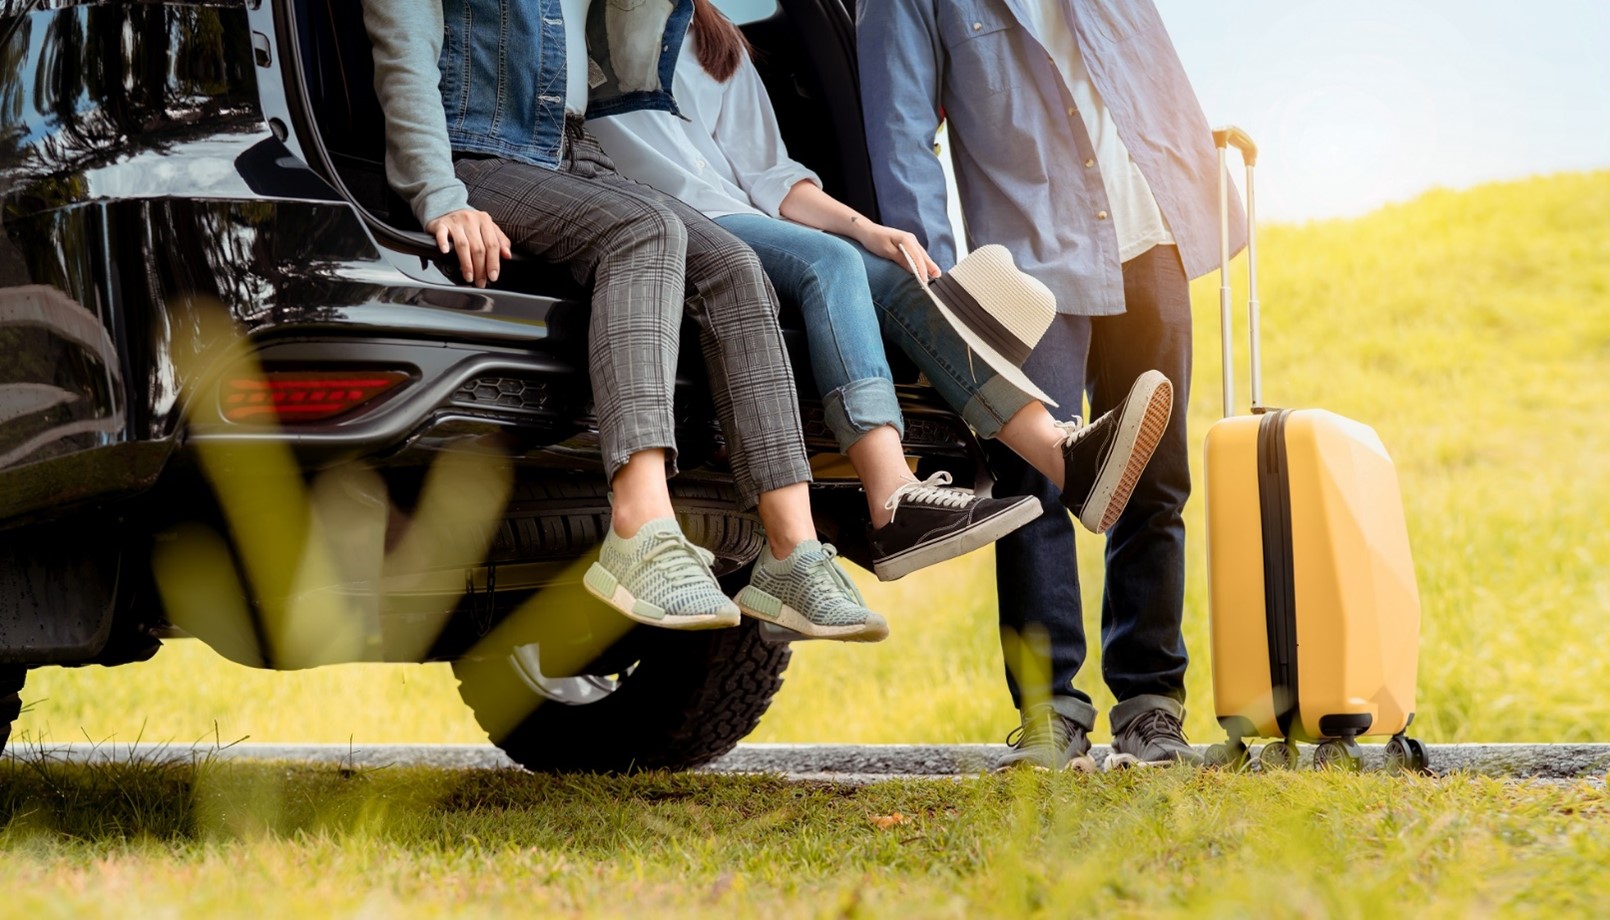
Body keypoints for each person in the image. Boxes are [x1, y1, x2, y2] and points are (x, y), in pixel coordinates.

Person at [585, 1, 1172, 585]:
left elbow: (770, 176)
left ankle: (1061, 455)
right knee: (832, 262)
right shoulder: (569, 18)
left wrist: (869, 228)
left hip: (736, 217)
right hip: (651, 218)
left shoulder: (715, 39)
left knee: (894, 272)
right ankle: (891, 498)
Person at [360, 0, 887, 642]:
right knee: (646, 229)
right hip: (479, 156)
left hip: (576, 155)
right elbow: (405, 60)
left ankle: (791, 552)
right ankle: (639, 524)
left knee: (734, 264)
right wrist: (437, 194)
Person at [858, 0, 1248, 769]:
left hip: (1154, 237)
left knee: (1155, 478)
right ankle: (1051, 714)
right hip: (1031, 260)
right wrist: (942, 291)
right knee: (1033, 482)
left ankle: (1152, 708)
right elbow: (900, 133)